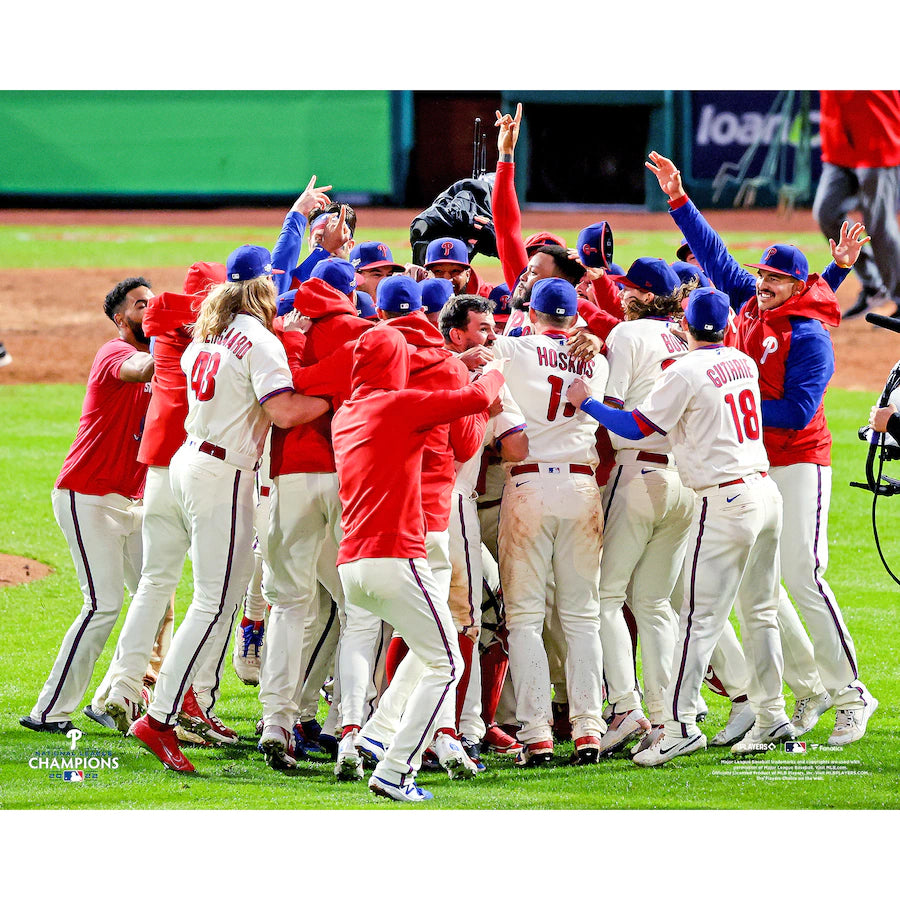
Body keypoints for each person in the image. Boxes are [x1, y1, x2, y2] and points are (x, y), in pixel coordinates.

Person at [647, 150, 879, 746]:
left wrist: (732, 415)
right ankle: (798, 697)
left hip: (801, 463)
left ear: (796, 287)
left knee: (804, 575)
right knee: (762, 587)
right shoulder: (751, 302)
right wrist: (678, 198)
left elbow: (799, 411)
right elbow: (714, 251)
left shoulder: (809, 336)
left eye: (776, 280)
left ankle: (854, 694)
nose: (764, 284)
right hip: (758, 467)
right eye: (764, 277)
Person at [568, 287, 792, 765]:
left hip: (725, 498)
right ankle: (772, 715)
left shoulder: (684, 370)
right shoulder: (743, 362)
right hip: (766, 492)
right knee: (762, 612)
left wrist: (587, 402)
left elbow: (635, 427)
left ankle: (679, 725)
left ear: (684, 325)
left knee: (697, 618)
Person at [128, 245, 330, 772]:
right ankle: (161, 716)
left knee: (213, 594)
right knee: (213, 601)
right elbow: (283, 412)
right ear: (264, 288)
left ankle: (171, 706)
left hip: (190, 461)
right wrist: (342, 395)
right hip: (223, 473)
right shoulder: (259, 341)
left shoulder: (207, 334)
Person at [331, 322, 505, 801]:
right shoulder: (399, 406)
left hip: (354, 564)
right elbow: (474, 401)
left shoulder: (345, 414)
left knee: (431, 645)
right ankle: (394, 768)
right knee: (447, 663)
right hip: (395, 556)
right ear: (395, 364)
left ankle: (378, 730)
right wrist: (497, 368)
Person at [102, 263, 233, 744]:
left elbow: (164, 310)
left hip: (158, 464)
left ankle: (122, 685)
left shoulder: (159, 318)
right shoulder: (227, 330)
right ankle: (186, 698)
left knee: (156, 582)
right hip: (202, 468)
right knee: (214, 592)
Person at [20, 277, 154, 734]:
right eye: (140, 305)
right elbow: (143, 370)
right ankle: (49, 711)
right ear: (121, 319)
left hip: (133, 503)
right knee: (102, 604)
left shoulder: (163, 362)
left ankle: (113, 696)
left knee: (154, 597)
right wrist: (184, 341)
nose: (148, 309)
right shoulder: (113, 354)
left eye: (153, 302)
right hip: (87, 495)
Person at [259, 257, 374, 770]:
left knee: (287, 603)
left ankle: (276, 721)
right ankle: (350, 725)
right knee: (359, 605)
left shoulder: (281, 335)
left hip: (290, 476)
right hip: (351, 476)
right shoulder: (368, 335)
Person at [490, 278, 609, 766]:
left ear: (532, 311)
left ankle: (537, 732)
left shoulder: (515, 350)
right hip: (583, 488)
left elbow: (480, 349)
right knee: (582, 617)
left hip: (529, 485)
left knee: (524, 618)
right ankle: (588, 730)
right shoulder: (596, 360)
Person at [591, 258, 696, 756]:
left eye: (631, 289)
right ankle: (671, 717)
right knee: (654, 604)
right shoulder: (685, 338)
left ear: (651, 297)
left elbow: (609, 413)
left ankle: (629, 707)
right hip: (685, 482)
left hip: (639, 474)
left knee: (605, 598)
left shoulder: (629, 337)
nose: (623, 295)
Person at [438, 293, 529, 761]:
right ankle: (456, 728)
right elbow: (515, 447)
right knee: (463, 620)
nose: (492, 337)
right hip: (450, 507)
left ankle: (469, 722)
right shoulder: (476, 374)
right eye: (482, 329)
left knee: (395, 623)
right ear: (456, 334)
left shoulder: (414, 361)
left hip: (408, 508)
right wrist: (492, 391)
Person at [813, 91, 900, 318]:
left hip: (878, 134)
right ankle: (874, 286)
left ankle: (899, 297)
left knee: (879, 227)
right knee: (827, 214)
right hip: (838, 140)